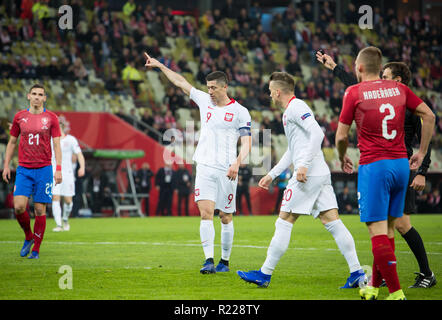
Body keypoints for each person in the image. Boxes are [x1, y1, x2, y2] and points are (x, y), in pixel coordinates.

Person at [317, 51, 437, 289]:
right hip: (399, 166)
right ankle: (380, 281)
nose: (381, 78)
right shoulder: (395, 94)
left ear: (398, 80)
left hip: (391, 165)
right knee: (388, 227)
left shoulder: (402, 100)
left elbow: (428, 132)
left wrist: (423, 168)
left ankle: (421, 275)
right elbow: (361, 87)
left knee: (396, 225)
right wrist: (334, 68)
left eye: (386, 76)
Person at [237, 72, 365, 289]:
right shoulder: (291, 111)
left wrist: (303, 165)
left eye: (270, 91)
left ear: (278, 92)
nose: (270, 95)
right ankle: (357, 273)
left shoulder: (297, 108)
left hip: (308, 175)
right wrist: (272, 174)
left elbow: (318, 134)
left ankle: (264, 274)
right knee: (332, 220)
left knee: (284, 219)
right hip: (319, 173)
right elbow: (293, 150)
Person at [144, 52, 252, 274]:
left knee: (225, 216)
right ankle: (208, 260)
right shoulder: (204, 101)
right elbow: (181, 82)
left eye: (213, 88)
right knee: (206, 213)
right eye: (208, 87)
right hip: (204, 165)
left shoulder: (240, 111)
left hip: (227, 169)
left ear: (224, 87)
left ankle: (225, 261)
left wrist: (237, 162)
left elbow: (247, 142)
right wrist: (160, 66)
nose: (209, 91)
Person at [2, 84, 62, 259]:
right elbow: (12, 142)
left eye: (40, 94)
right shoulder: (20, 117)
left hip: (44, 169)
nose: (37, 97)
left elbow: (57, 144)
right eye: (34, 94)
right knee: (19, 207)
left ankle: (36, 249)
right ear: (28, 96)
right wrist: (6, 165)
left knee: (39, 210)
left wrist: (58, 168)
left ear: (44, 98)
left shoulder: (51, 118)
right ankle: (28, 236)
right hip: (24, 169)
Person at [51, 120, 85, 232]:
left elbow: (79, 154)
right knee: (55, 197)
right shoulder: (50, 140)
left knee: (68, 201)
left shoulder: (71, 140)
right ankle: (59, 225)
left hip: (68, 174)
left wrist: (82, 167)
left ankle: (65, 219)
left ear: (62, 127)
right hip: (54, 173)